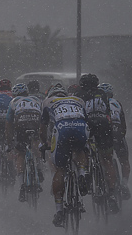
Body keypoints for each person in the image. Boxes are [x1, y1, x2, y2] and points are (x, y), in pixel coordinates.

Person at [41, 83, 89, 228]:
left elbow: (43, 127)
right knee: (80, 150)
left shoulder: (48, 102)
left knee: (60, 169)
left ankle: (60, 211)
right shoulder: (78, 100)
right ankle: (82, 173)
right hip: (81, 127)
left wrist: (44, 143)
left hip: (62, 129)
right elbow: (87, 120)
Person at [75, 73, 119, 214]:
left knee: (83, 150)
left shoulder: (78, 93)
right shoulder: (102, 93)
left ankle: (86, 174)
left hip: (87, 125)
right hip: (104, 126)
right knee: (107, 160)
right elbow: (107, 112)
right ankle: (111, 193)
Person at [6, 83, 43, 202]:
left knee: (20, 153)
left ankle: (22, 183)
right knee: (36, 143)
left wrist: (10, 141)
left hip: (21, 125)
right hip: (35, 122)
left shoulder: (14, 101)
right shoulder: (36, 99)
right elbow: (43, 117)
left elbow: (9, 123)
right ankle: (39, 169)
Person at [100, 82, 131, 200]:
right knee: (124, 160)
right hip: (118, 132)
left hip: (105, 132)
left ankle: (106, 178)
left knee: (106, 159)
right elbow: (123, 124)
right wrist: (121, 136)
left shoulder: (98, 103)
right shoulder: (117, 103)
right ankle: (124, 184)